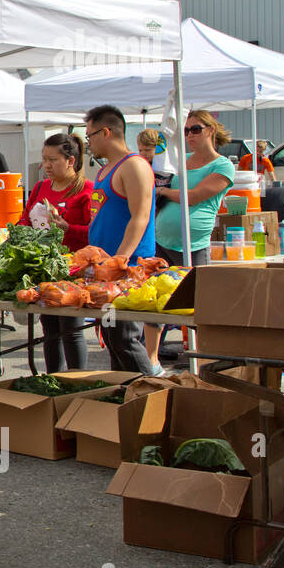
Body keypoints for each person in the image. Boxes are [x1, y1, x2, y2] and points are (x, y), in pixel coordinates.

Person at [142, 111, 235, 373]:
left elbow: (193, 196)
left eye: (195, 129)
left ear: (210, 130)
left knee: (197, 304)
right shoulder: (180, 161)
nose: (190, 135)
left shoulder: (223, 165)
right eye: (186, 131)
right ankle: (151, 360)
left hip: (193, 245)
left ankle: (205, 361)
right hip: (162, 239)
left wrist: (162, 191)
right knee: (155, 298)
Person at [84, 105, 156, 375]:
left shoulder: (135, 166)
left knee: (125, 338)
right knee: (113, 337)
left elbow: (141, 217)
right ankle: (124, 397)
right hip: (106, 271)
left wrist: (120, 260)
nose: (88, 142)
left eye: (90, 136)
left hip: (128, 269)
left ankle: (153, 395)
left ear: (105, 132)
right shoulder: (105, 170)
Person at [18, 134, 94, 371]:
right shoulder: (40, 187)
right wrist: (20, 236)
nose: (46, 166)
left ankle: (77, 383)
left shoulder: (86, 190)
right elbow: (24, 218)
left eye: (53, 160)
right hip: (44, 269)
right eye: (44, 159)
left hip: (73, 271)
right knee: (49, 329)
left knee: (70, 329)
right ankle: (53, 380)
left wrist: (66, 227)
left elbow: (94, 233)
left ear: (70, 160)